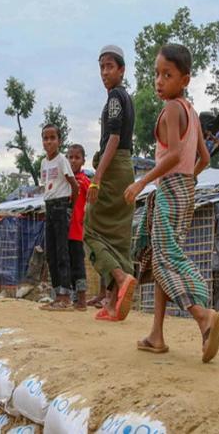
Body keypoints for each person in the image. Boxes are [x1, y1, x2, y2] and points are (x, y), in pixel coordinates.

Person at [125, 43, 219, 363]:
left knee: (166, 261)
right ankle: (156, 334)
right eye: (156, 74)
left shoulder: (171, 109)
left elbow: (171, 155)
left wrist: (143, 181)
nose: (159, 81)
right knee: (160, 258)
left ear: (184, 79)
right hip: (184, 190)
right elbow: (204, 158)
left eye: (167, 75)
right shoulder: (191, 112)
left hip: (170, 190)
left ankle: (203, 317)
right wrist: (186, 179)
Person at [85, 45, 138, 322]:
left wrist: (98, 177)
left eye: (110, 66)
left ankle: (121, 276)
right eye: (101, 67)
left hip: (114, 167)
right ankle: (113, 304)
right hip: (126, 167)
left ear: (122, 70)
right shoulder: (126, 98)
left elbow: (114, 138)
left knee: (90, 230)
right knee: (118, 236)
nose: (105, 72)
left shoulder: (115, 98)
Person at [38, 124, 79, 311]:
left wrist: (70, 207)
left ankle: (65, 297)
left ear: (59, 141)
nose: (48, 142)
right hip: (49, 207)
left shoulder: (62, 160)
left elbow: (74, 185)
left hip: (61, 207)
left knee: (62, 252)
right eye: (45, 138)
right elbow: (46, 186)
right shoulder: (43, 163)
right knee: (51, 253)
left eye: (52, 138)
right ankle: (57, 294)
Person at [66, 144, 90, 310]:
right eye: (70, 157)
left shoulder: (85, 181)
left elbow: (93, 203)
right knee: (66, 264)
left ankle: (81, 299)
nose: (73, 160)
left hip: (77, 230)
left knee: (77, 264)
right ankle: (72, 298)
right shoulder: (65, 179)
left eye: (77, 157)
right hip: (64, 230)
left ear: (83, 160)